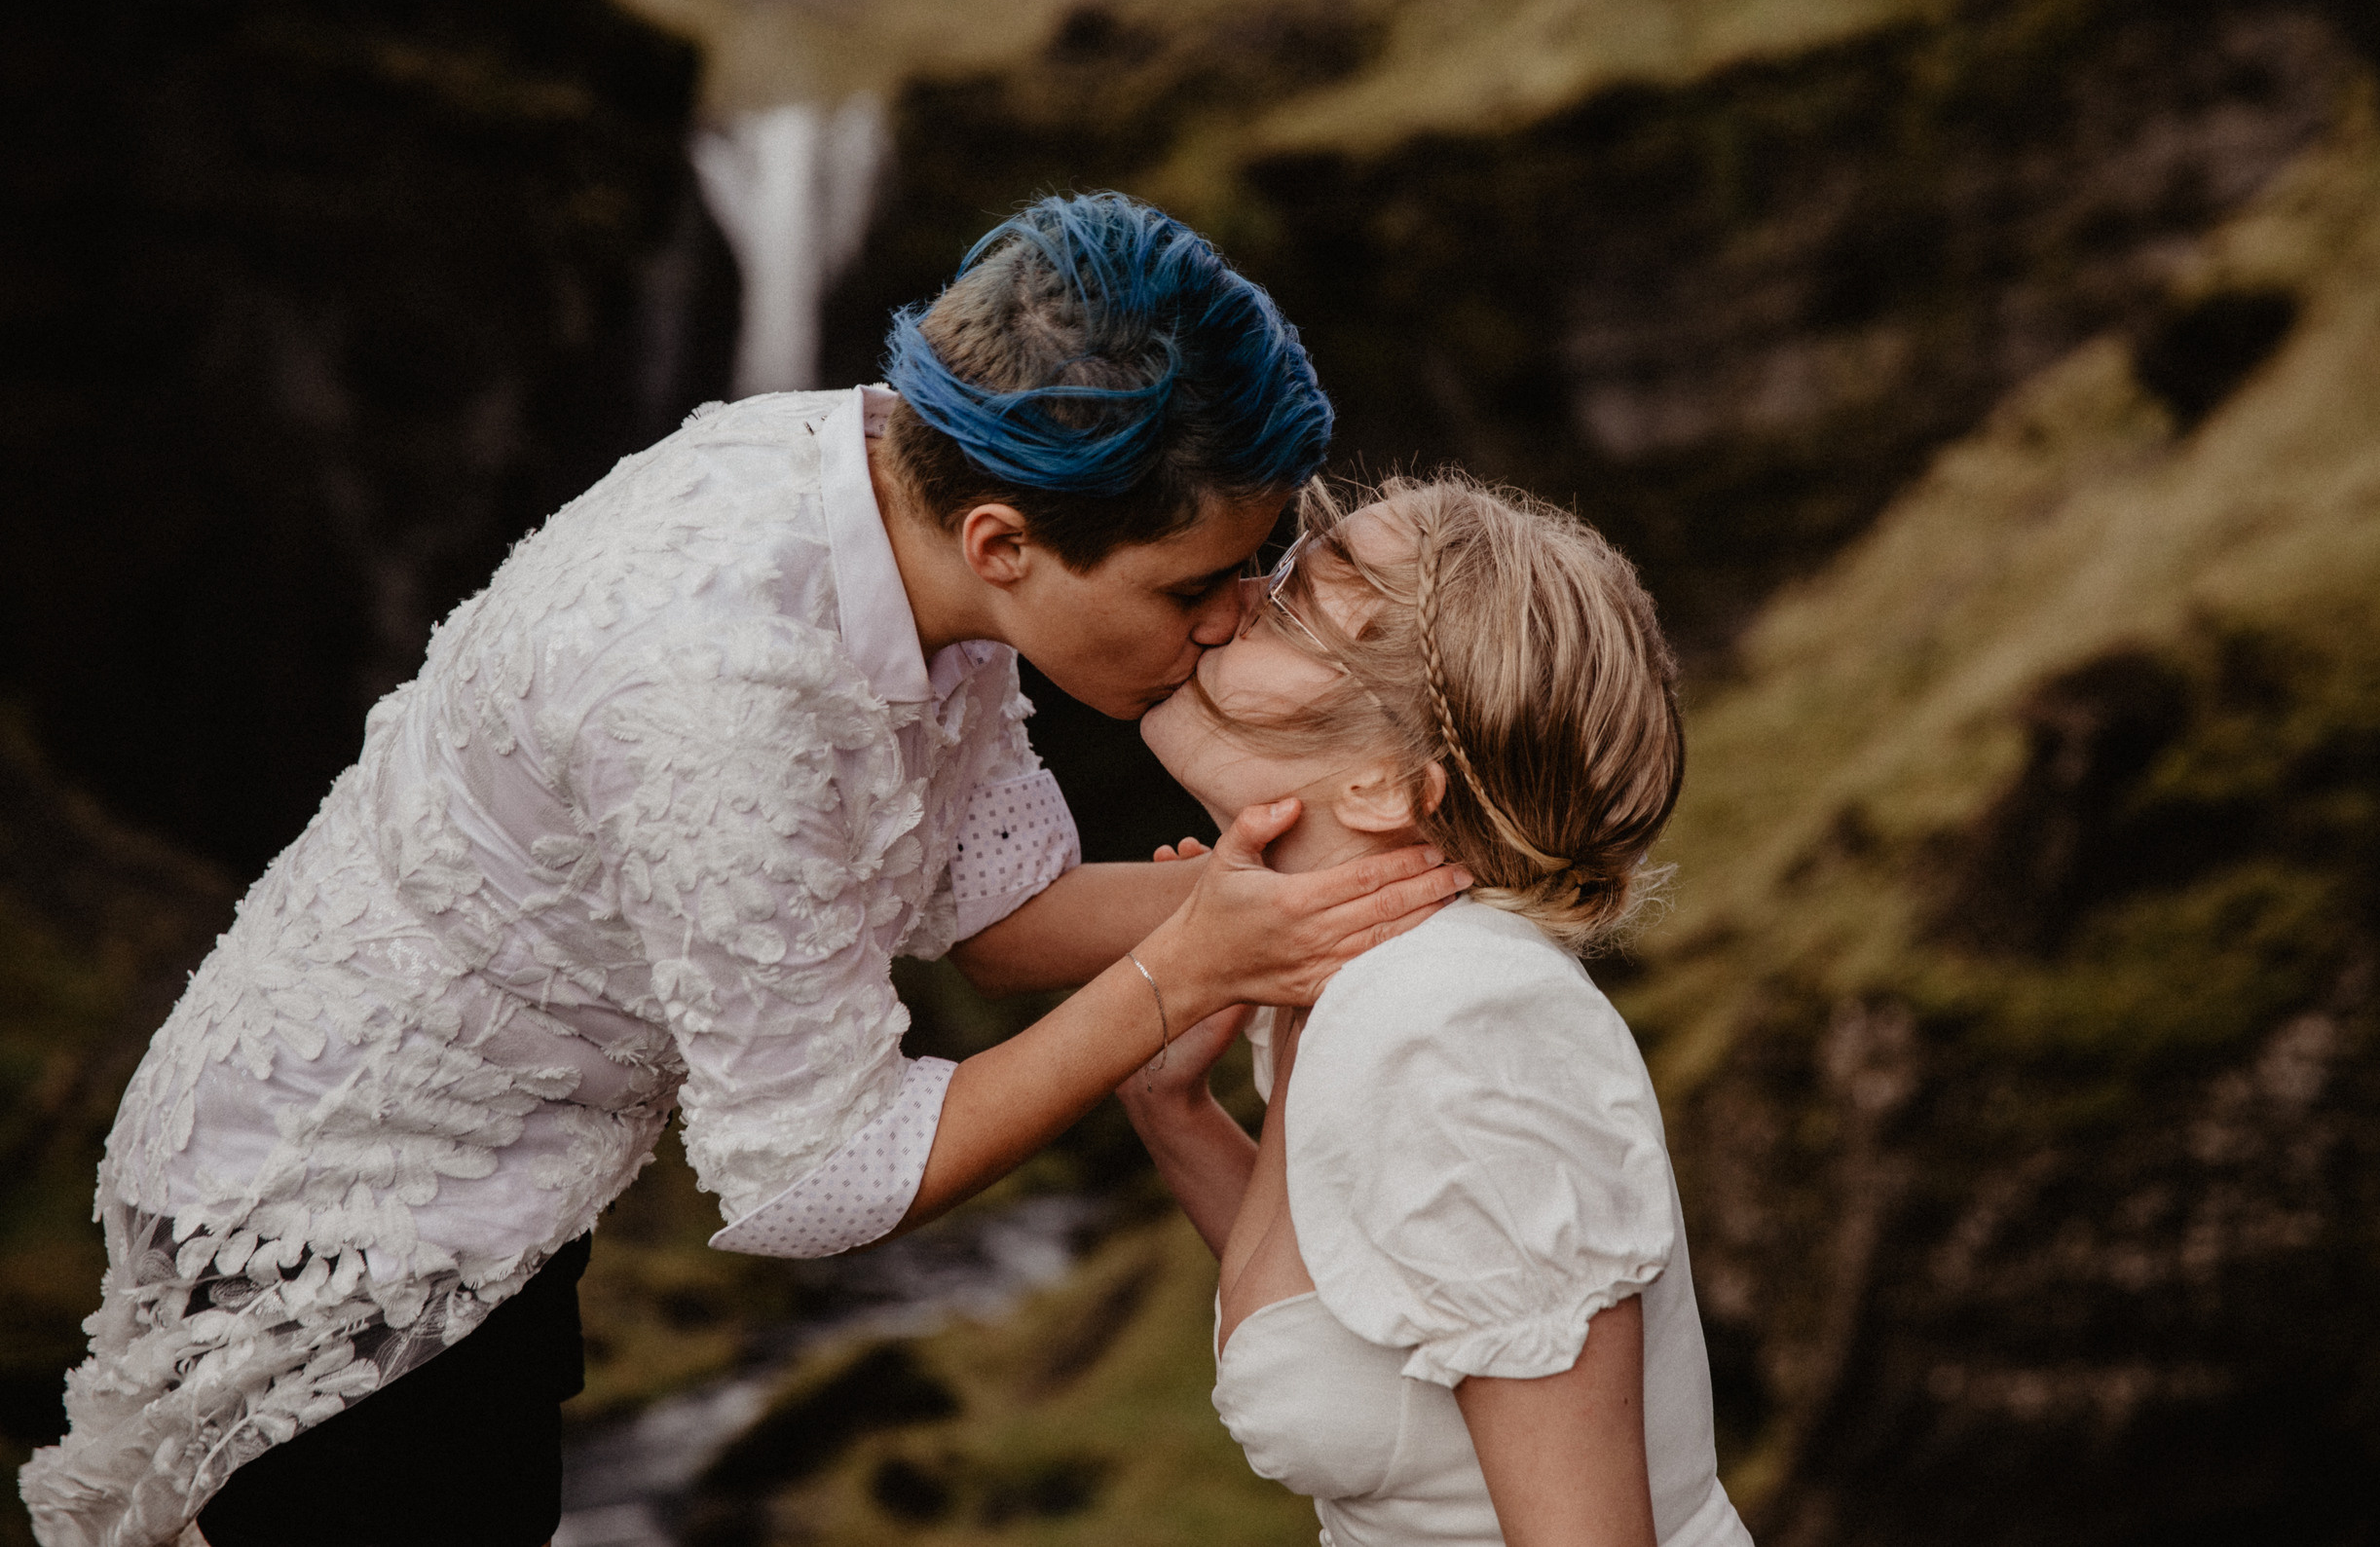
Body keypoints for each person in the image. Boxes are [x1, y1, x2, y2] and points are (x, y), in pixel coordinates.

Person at [20, 195, 1471, 1547]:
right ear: (1006, 540)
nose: (1230, 624)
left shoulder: (899, 498)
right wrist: (1185, 975)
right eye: (1192, 585)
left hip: (508, 1192)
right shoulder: (722, 680)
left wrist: (1316, 894)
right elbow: (810, 1177)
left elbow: (997, 915)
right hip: (331, 1224)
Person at [1121, 474, 1752, 1547]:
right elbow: (1375, 1319)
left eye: (1287, 603)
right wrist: (1170, 1110)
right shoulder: (1358, 976)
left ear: (1384, 787)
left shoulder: (1456, 1025)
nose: (1225, 604)